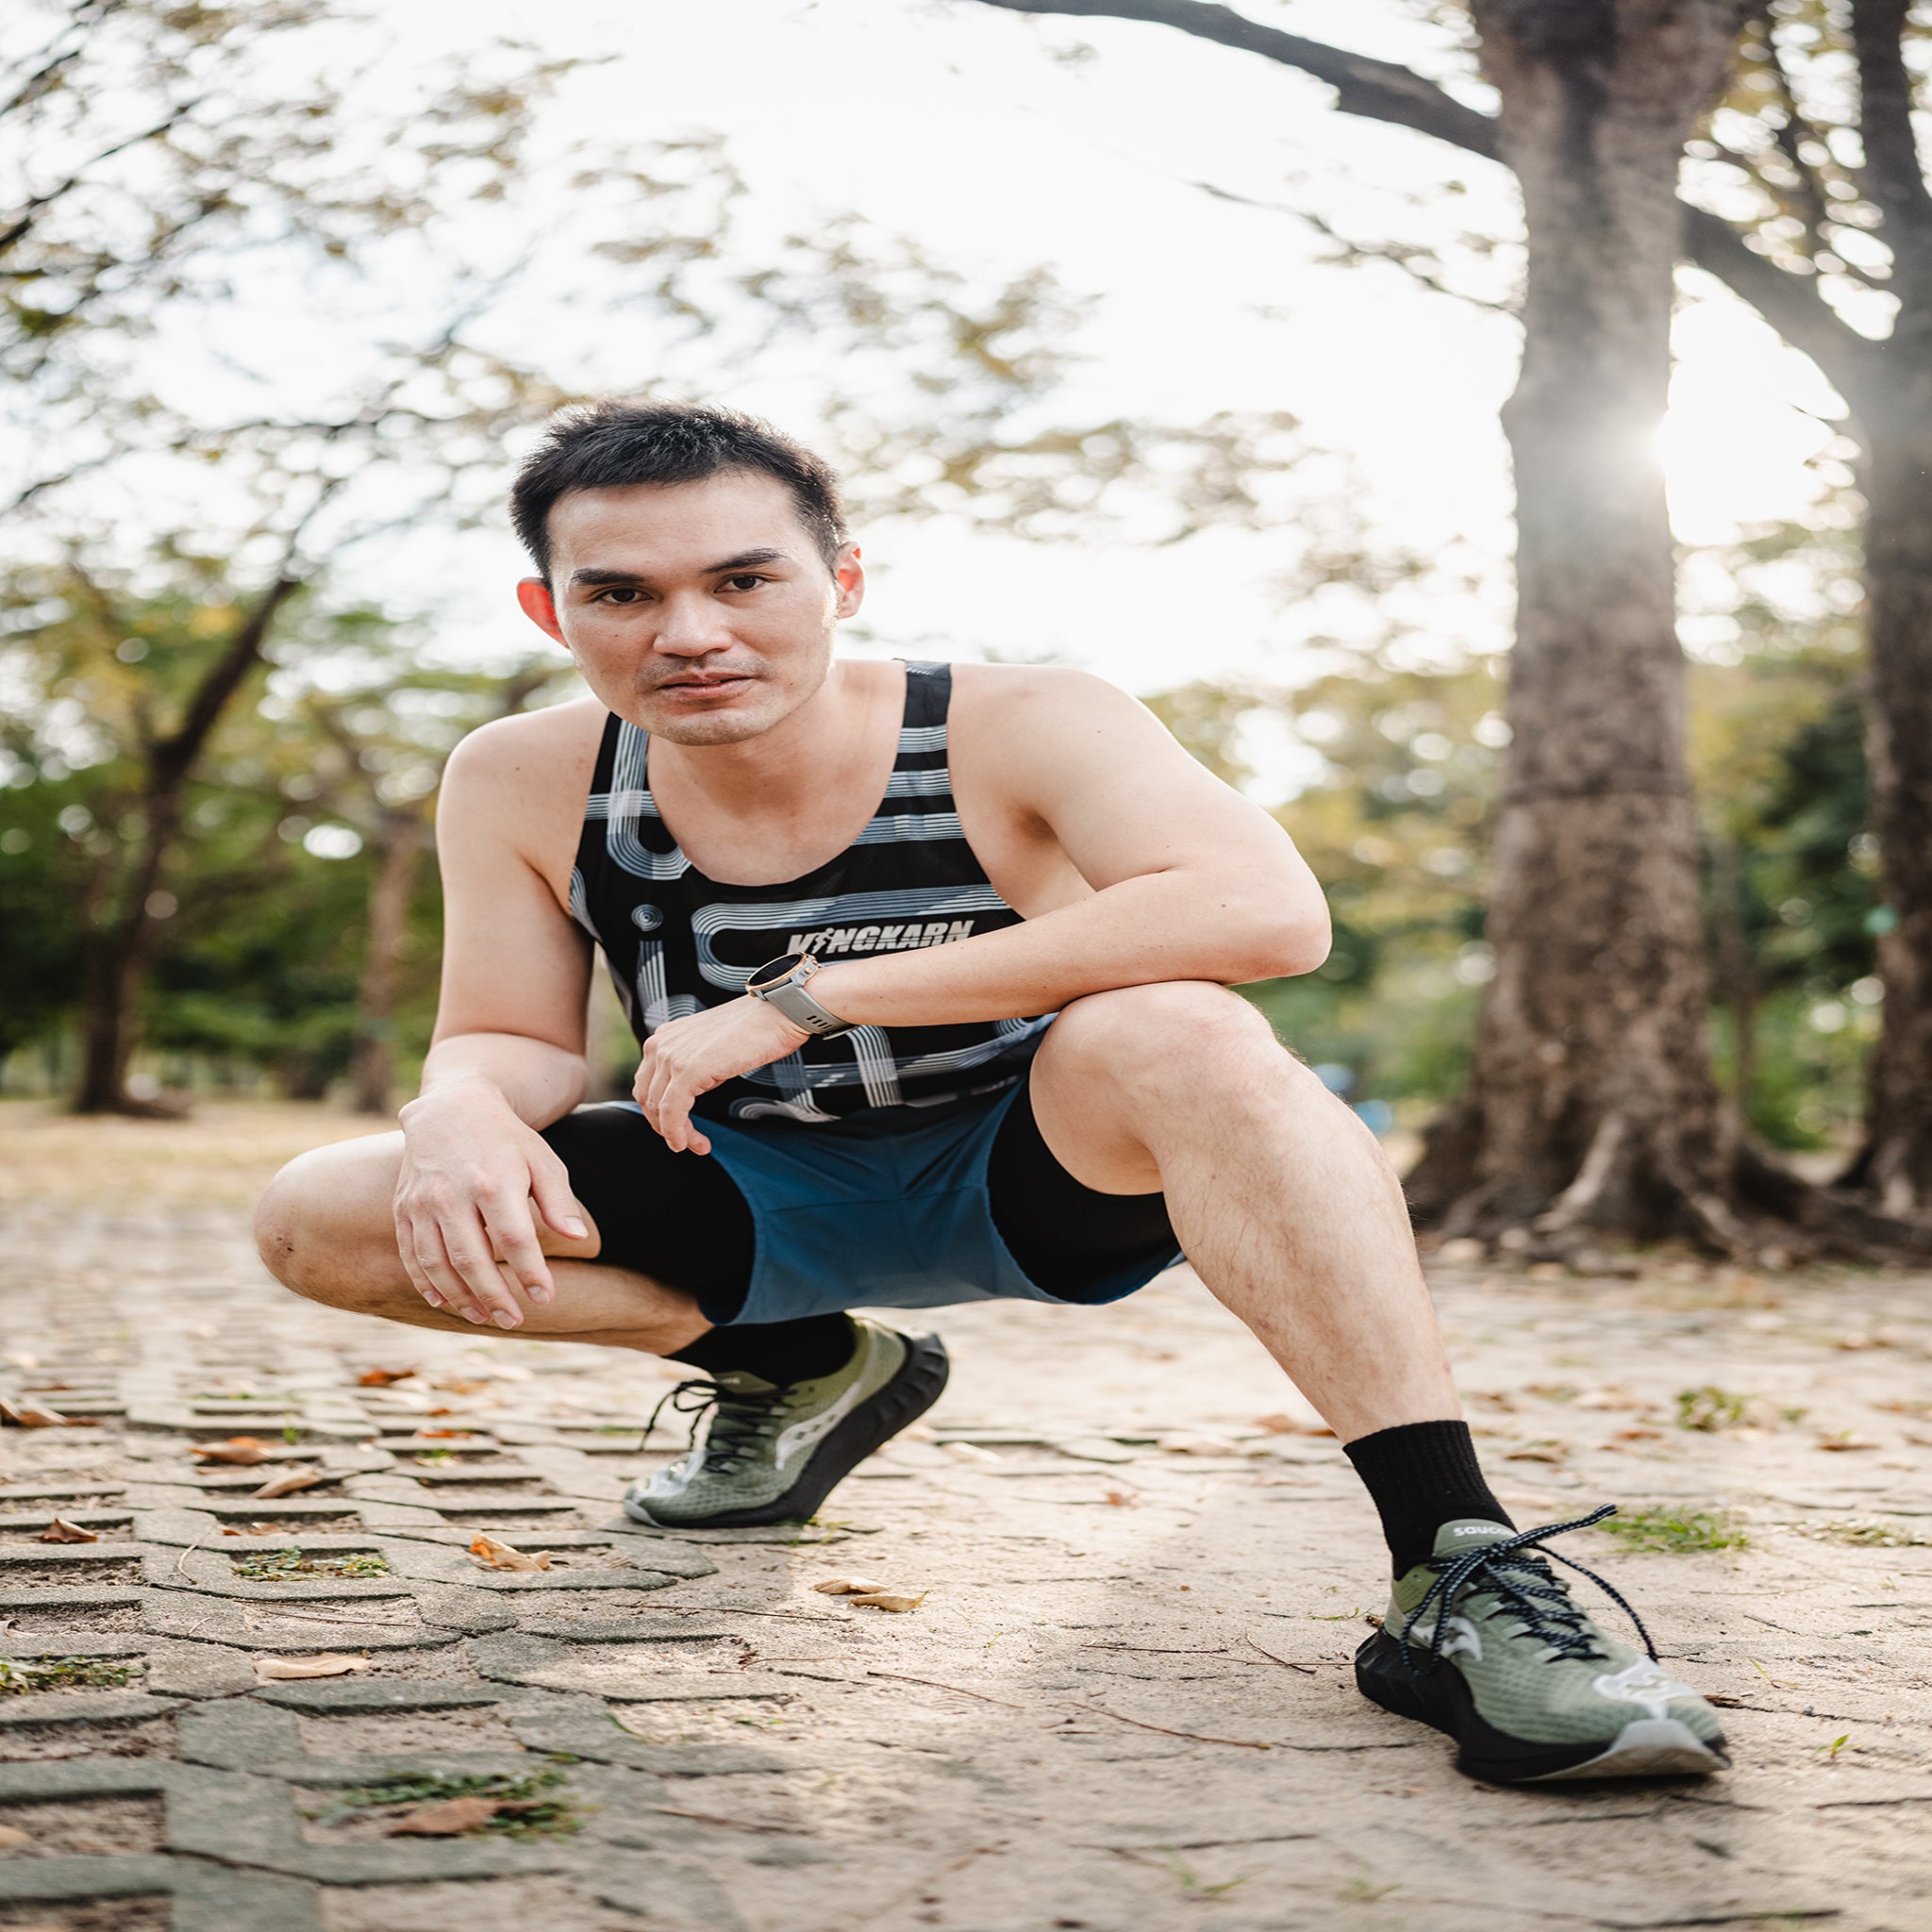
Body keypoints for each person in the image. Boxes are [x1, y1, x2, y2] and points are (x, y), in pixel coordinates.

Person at [255, 400, 1728, 1785]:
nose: (689, 632)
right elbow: (512, 1034)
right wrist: (454, 1105)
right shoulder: (523, 773)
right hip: (749, 1190)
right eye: (621, 594)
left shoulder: (1015, 719)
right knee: (322, 1216)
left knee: (1185, 1029)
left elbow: (1267, 911)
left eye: (745, 580)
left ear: (840, 579)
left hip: (1033, 1165)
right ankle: (803, 1368)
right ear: (550, 612)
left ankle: (1455, 1568)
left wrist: (809, 997)